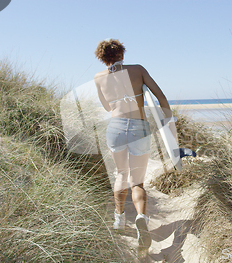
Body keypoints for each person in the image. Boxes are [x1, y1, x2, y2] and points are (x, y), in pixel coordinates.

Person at [93, 39, 173, 249]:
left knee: (121, 174)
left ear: (102, 58)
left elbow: (106, 106)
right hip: (139, 126)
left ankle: (119, 219)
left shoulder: (98, 77)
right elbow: (160, 96)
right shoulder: (138, 70)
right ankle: (141, 217)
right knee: (137, 182)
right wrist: (168, 122)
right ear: (121, 54)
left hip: (116, 127)